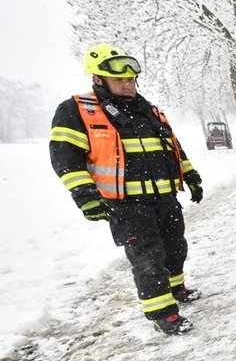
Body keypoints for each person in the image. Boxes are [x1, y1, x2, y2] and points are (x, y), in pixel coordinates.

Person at [49, 43, 204, 335]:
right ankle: (163, 314)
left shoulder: (150, 111)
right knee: (148, 257)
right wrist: (85, 196)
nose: (128, 83)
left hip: (165, 198)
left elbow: (173, 148)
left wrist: (191, 175)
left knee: (175, 248)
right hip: (127, 204)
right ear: (98, 79)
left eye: (131, 79)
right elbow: (64, 156)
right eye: (120, 79)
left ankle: (176, 288)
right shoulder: (77, 110)